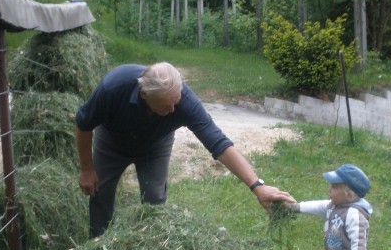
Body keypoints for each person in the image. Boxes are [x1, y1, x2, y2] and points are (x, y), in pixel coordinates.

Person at [75, 62, 295, 237]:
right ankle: (97, 244)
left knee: (154, 199)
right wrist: (86, 169)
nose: (173, 110)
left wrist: (257, 186)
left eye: (176, 102)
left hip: (155, 145)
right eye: (165, 106)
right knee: (99, 192)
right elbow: (83, 123)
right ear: (144, 94)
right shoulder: (114, 86)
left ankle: (150, 245)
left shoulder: (183, 101)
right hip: (112, 142)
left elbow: (218, 142)